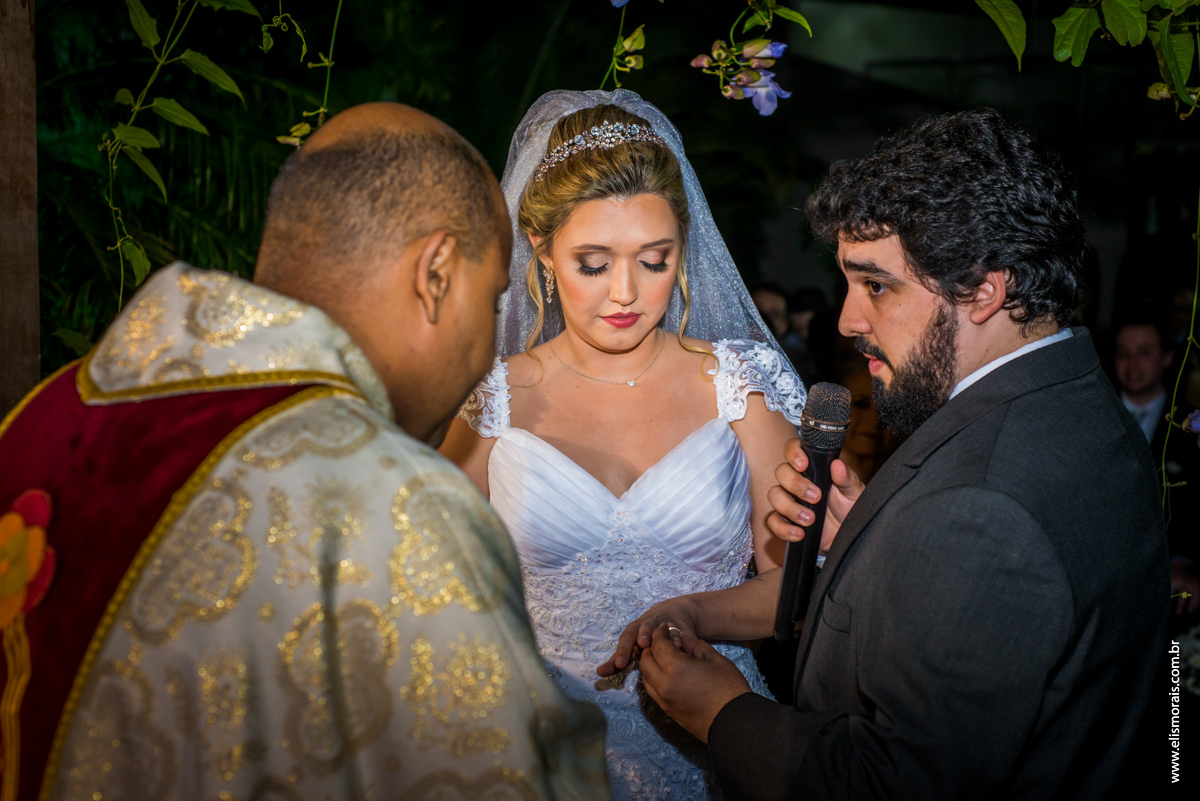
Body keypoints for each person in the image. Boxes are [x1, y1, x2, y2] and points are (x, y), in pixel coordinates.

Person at [0, 103, 609, 801]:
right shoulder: (390, 500)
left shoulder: (43, 417)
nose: (489, 346)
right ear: (436, 272)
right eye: (494, 295)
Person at [601, 109, 1169, 798]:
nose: (848, 319)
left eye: (877, 285)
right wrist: (875, 547)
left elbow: (892, 781)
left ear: (984, 289)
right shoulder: (1077, 400)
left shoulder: (979, 509)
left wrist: (723, 710)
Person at [440, 89, 806, 801]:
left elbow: (795, 592)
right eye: (594, 262)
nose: (627, 292)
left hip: (708, 750)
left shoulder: (740, 386)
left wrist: (697, 610)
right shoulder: (493, 398)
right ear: (542, 251)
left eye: (655, 258)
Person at [1114, 315, 1200, 616]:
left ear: (1167, 357)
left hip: (1166, 589)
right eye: (1123, 353)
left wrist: (1184, 561)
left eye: (1144, 352)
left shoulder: (1192, 426)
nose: (1132, 363)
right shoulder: (1093, 415)